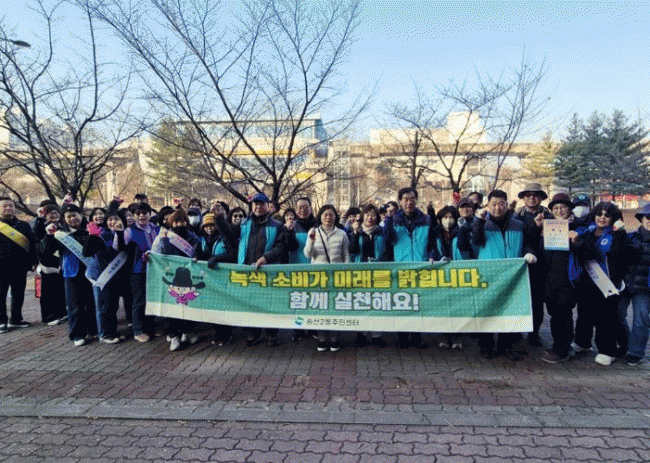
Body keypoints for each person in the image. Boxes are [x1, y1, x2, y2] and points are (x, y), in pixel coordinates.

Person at [471, 189, 537, 360]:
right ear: (487, 205)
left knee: (509, 311)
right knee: (488, 312)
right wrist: (479, 221)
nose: (497, 208)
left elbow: (528, 243)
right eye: (493, 204)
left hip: (512, 277)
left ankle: (505, 346)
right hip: (488, 276)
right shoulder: (481, 223)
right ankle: (486, 345)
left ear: (507, 205)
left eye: (501, 204)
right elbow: (476, 241)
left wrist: (529, 252)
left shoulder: (519, 224)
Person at [221, 192, 288, 346]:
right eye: (255, 204)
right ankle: (253, 332)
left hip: (268, 273)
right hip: (247, 273)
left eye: (261, 204)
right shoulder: (243, 224)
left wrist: (266, 258)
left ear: (267, 206)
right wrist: (219, 218)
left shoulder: (277, 226)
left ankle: (272, 333)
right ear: (252, 206)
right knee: (249, 304)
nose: (258, 207)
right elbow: (229, 235)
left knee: (269, 304)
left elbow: (281, 248)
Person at [573, 202, 628, 366]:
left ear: (613, 218)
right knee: (584, 315)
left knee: (605, 319)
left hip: (607, 283)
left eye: (607, 215)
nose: (602, 218)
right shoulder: (586, 231)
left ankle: (607, 351)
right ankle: (582, 343)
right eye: (599, 214)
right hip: (586, 281)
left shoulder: (617, 234)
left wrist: (620, 233)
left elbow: (618, 255)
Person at [383, 187, 437, 348]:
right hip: (401, 268)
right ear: (400, 201)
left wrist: (432, 254)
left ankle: (416, 337)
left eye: (412, 199)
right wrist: (388, 219)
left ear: (416, 200)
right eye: (405, 199)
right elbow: (388, 239)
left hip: (421, 267)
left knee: (418, 303)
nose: (409, 202)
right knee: (402, 303)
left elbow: (432, 242)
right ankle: (402, 337)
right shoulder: (394, 220)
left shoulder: (426, 219)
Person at [40, 204, 97, 346]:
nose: (73, 218)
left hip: (91, 272)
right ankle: (77, 335)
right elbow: (47, 251)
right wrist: (49, 236)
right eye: (69, 216)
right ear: (64, 219)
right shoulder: (60, 234)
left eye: (75, 215)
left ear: (81, 215)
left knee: (91, 303)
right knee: (75, 306)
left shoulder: (89, 230)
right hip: (72, 273)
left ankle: (94, 330)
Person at [152, 208, 202, 351]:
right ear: (171, 223)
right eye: (177, 222)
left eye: (183, 221)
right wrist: (162, 240)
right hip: (170, 276)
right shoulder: (164, 236)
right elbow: (157, 255)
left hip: (188, 277)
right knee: (171, 307)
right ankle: (174, 336)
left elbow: (198, 251)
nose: (180, 224)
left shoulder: (193, 237)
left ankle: (188, 332)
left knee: (189, 304)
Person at [304, 204, 350, 352]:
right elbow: (307, 254)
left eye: (331, 215)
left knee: (335, 307)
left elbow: (346, 255)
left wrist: (346, 273)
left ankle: (335, 339)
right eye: (325, 215)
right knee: (321, 307)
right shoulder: (313, 232)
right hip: (319, 277)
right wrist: (311, 240)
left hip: (337, 277)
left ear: (335, 217)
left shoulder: (342, 234)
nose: (328, 217)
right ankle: (322, 339)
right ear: (320, 217)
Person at [540, 193, 579, 363]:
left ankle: (563, 349)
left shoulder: (578, 226)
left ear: (570, 209)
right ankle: (559, 345)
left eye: (563, 207)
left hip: (567, 280)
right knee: (554, 314)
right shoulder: (547, 226)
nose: (559, 210)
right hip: (550, 279)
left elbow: (587, 253)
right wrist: (540, 236)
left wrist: (576, 242)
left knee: (564, 314)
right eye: (556, 208)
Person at [514, 182, 552, 347]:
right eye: (528, 195)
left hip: (541, 266)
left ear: (541, 198)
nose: (532, 198)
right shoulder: (516, 217)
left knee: (537, 302)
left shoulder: (550, 217)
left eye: (535, 195)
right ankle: (516, 331)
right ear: (523, 198)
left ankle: (534, 332)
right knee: (518, 300)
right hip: (519, 265)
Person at [118, 202, 159, 343]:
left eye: (145, 213)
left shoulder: (156, 229)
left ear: (150, 214)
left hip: (155, 270)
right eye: (138, 213)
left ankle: (150, 328)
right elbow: (119, 248)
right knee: (139, 301)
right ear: (134, 216)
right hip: (137, 270)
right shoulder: (129, 231)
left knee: (151, 299)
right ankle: (138, 330)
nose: (142, 216)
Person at [349, 204, 387, 347]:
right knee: (362, 303)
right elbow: (352, 250)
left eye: (373, 215)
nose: (370, 218)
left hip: (379, 272)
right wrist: (355, 233)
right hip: (361, 272)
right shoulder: (356, 232)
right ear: (362, 216)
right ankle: (362, 333)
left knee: (377, 303)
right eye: (367, 214)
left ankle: (377, 335)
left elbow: (387, 252)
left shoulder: (382, 232)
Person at [0, 197, 38, 333]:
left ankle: (16, 319)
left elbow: (31, 244)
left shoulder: (23, 225)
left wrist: (34, 261)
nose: (8, 208)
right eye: (4, 206)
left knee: (18, 293)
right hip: (1, 266)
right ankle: (1, 322)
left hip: (20, 266)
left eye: (11, 206)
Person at [199, 212, 237, 346]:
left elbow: (233, 256)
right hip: (209, 278)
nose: (209, 228)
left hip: (224, 277)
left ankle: (227, 333)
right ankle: (217, 332)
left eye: (212, 225)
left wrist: (217, 259)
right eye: (206, 226)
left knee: (224, 306)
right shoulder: (202, 240)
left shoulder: (224, 238)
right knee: (212, 306)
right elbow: (201, 254)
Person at [433, 205, 463, 350]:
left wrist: (462, 231)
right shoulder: (435, 232)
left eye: (451, 217)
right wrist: (434, 257)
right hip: (440, 273)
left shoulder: (460, 230)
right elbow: (431, 248)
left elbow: (465, 247)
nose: (448, 220)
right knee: (443, 306)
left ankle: (457, 337)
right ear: (440, 219)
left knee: (457, 306)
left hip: (457, 273)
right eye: (445, 217)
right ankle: (444, 336)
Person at [625, 203, 650, 366]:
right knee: (618, 316)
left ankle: (636, 351)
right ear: (642, 219)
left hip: (644, 288)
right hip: (628, 285)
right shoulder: (630, 237)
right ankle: (627, 344)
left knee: (641, 320)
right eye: (648, 217)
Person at [36, 204, 67, 326]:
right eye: (50, 213)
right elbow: (36, 237)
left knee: (60, 289)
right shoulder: (41, 226)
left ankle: (61, 312)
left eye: (56, 213)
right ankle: (49, 316)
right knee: (48, 292)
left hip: (60, 262)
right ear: (46, 215)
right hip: (47, 264)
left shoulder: (62, 226)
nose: (54, 215)